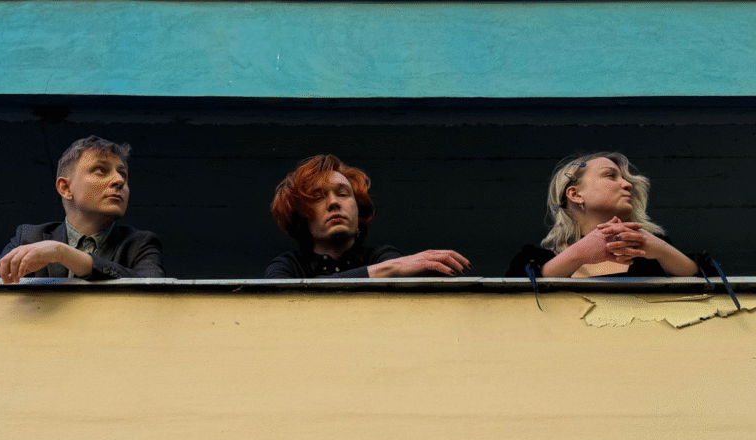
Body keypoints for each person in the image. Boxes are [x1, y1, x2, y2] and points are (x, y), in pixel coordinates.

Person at [0, 136, 164, 283]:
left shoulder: (139, 243)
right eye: (101, 170)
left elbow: (155, 290)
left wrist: (63, 254)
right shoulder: (29, 237)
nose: (119, 180)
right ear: (65, 188)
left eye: (123, 174)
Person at [506, 152, 711, 278]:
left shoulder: (653, 254)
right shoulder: (535, 259)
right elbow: (512, 293)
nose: (628, 184)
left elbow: (714, 284)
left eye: (626, 179)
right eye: (610, 175)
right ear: (575, 194)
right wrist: (578, 254)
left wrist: (663, 250)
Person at [265, 154, 470, 278]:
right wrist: (388, 270)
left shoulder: (381, 256)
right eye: (318, 197)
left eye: (343, 194)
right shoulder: (288, 266)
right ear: (301, 217)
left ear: (359, 210)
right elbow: (281, 302)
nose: (334, 202)